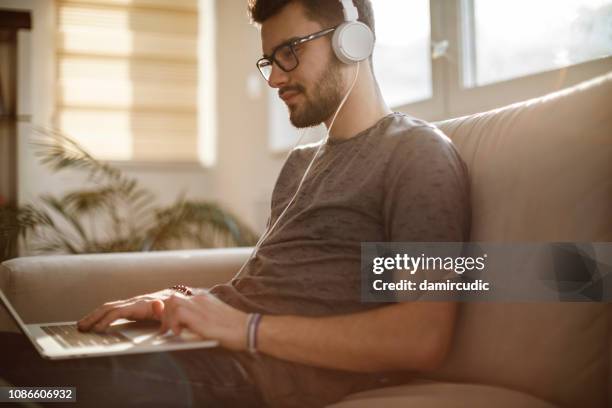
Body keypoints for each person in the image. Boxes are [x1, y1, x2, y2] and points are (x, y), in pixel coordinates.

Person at [0, 0, 470, 406]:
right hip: (204, 353)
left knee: (23, 384)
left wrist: (244, 330)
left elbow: (423, 336)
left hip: (251, 378)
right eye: (270, 60)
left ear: (354, 42)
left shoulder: (416, 155)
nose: (274, 79)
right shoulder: (302, 163)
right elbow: (270, 290)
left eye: (290, 52)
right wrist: (177, 305)